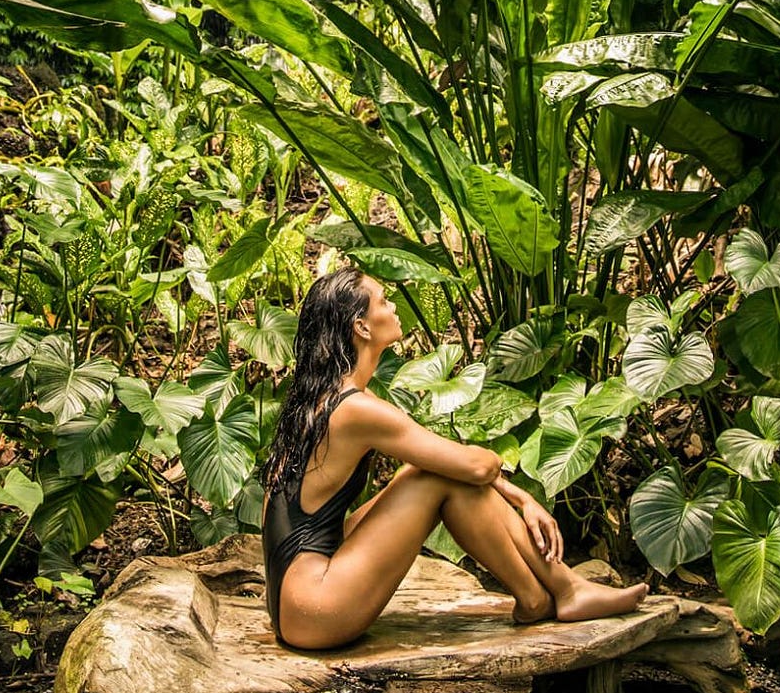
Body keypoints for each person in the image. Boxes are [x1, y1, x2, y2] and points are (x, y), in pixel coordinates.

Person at [261, 265, 649, 650]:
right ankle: (548, 594)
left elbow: (441, 463)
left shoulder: (329, 398)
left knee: (424, 472)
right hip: (315, 608)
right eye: (384, 300)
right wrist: (502, 474)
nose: (393, 307)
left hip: (296, 604)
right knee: (438, 478)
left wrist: (522, 497)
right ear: (362, 327)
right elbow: (477, 465)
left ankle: (557, 593)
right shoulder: (356, 410)